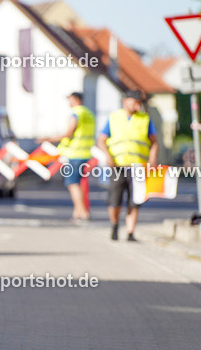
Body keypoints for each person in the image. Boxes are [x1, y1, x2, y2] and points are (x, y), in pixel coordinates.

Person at [96, 90, 158, 242]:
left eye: (139, 102)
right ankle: (115, 224)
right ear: (125, 101)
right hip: (118, 165)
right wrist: (108, 157)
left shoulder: (144, 119)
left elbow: (154, 141)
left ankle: (130, 232)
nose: (138, 105)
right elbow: (101, 140)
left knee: (135, 200)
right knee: (115, 200)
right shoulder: (114, 117)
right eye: (135, 101)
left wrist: (152, 159)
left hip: (138, 167)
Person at [54, 92, 96, 221]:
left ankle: (82, 212)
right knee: (78, 183)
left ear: (76, 99)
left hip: (75, 154)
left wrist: (50, 138)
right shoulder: (89, 113)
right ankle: (78, 212)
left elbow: (68, 133)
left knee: (72, 183)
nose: (69, 102)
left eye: (70, 99)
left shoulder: (76, 113)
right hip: (86, 153)